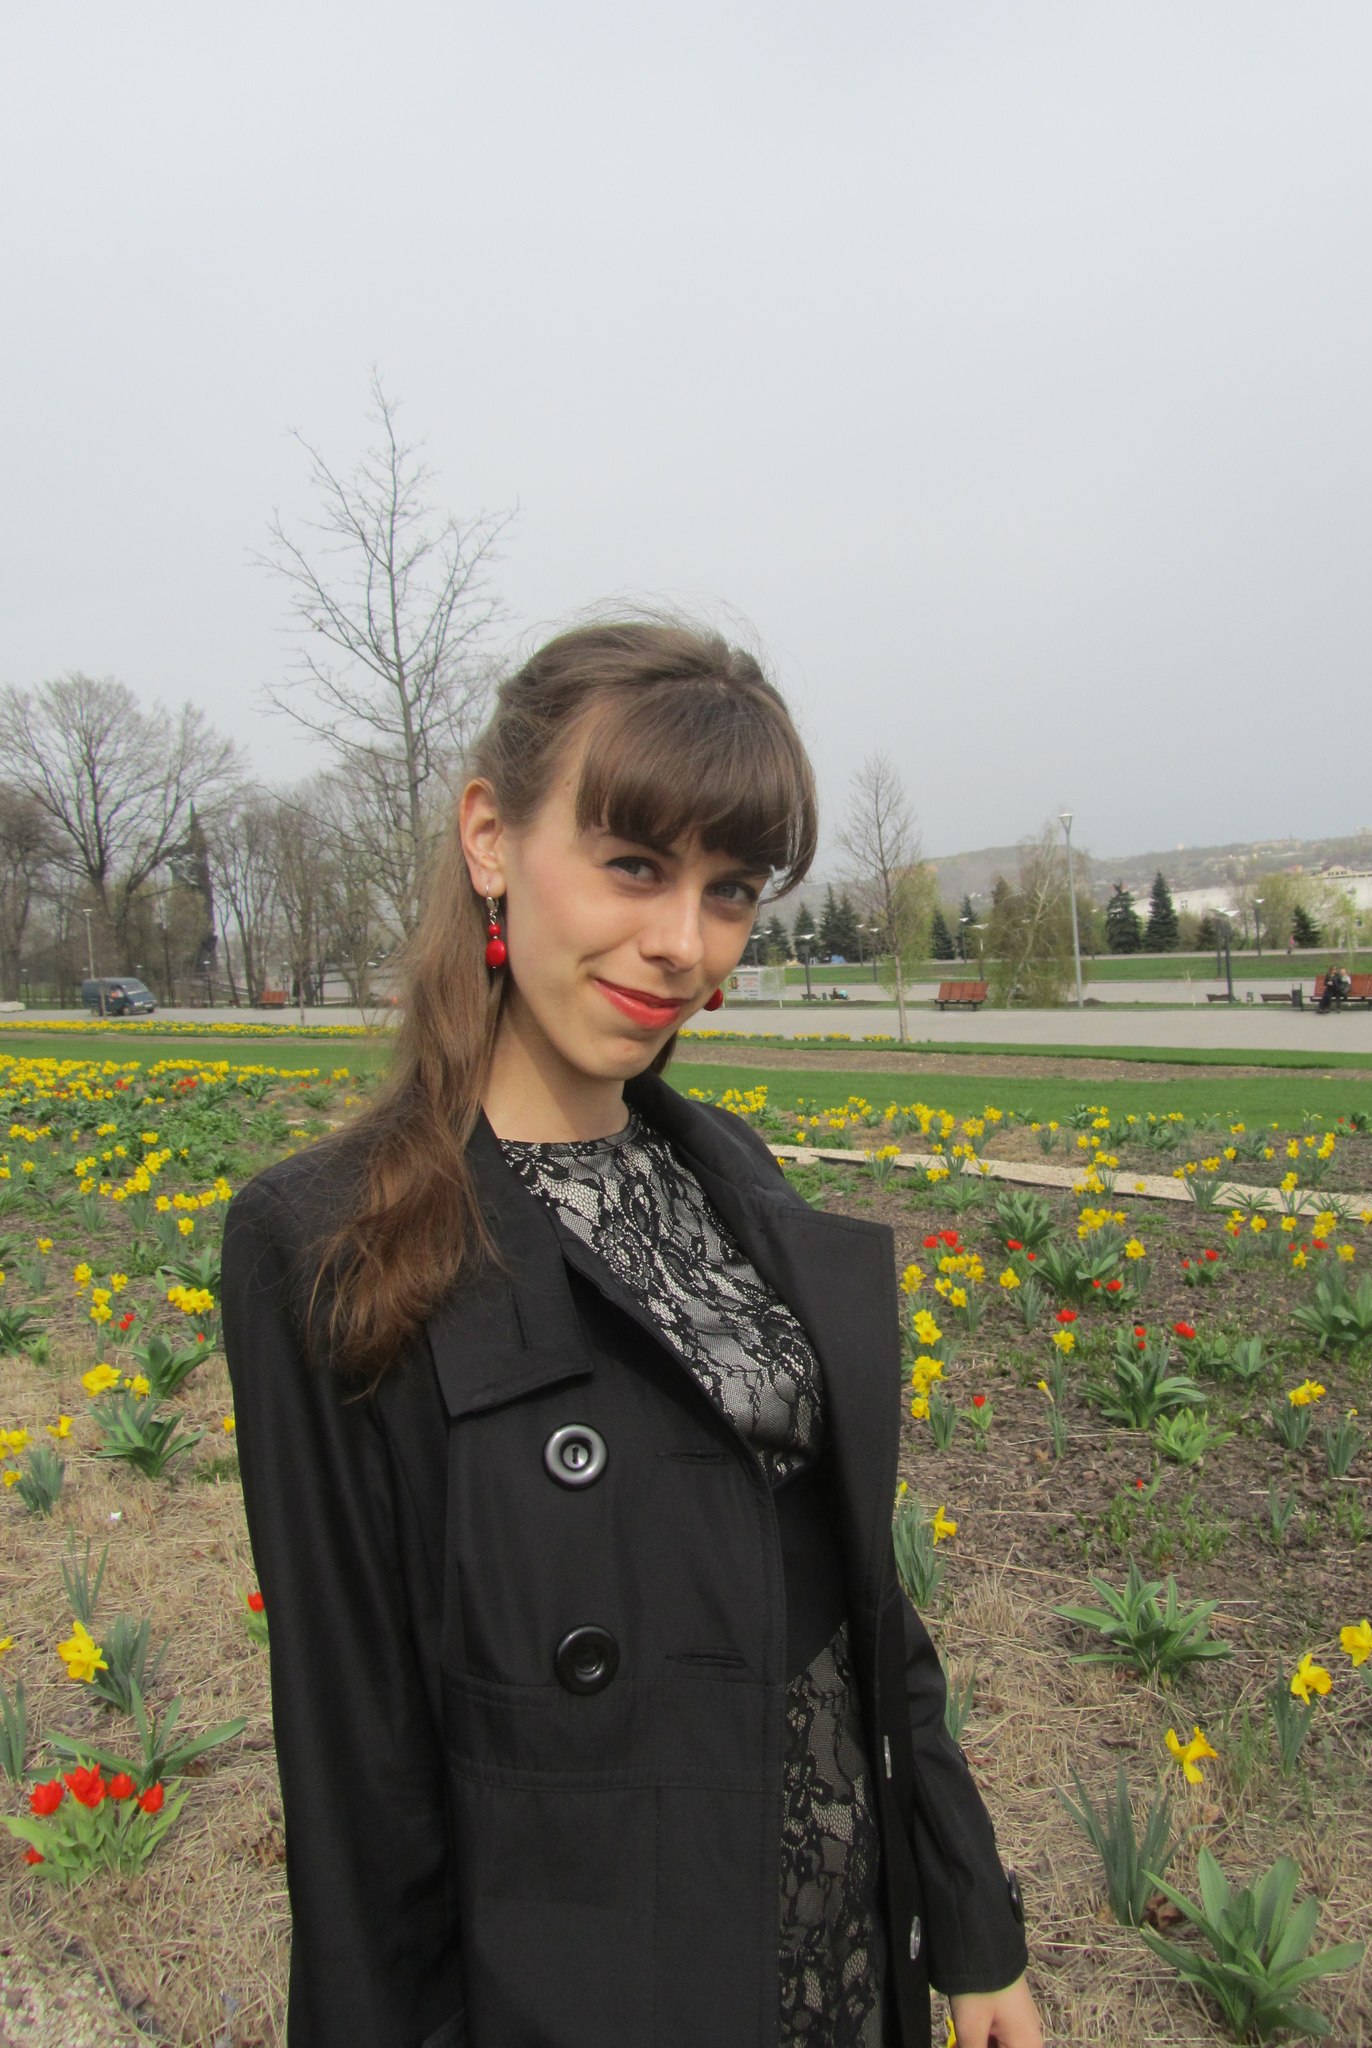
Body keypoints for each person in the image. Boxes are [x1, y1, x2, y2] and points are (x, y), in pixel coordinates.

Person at [222, 620, 1044, 2048]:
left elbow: (859, 1598)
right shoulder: (334, 1239)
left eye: (731, 891)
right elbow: (359, 1786)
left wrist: (970, 1925)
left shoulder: (731, 1176)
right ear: (491, 838)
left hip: (840, 1950)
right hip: (601, 1981)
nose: (684, 946)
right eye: (634, 866)